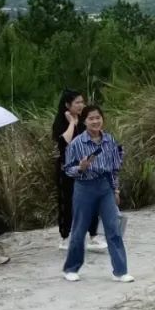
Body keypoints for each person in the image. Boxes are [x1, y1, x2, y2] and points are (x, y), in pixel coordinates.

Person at [61, 105, 133, 282]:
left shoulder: (109, 140)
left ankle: (121, 271)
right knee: (79, 229)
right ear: (84, 121)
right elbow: (67, 169)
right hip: (84, 186)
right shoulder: (77, 143)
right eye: (91, 118)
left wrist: (116, 189)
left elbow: (115, 168)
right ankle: (71, 268)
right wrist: (81, 167)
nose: (95, 121)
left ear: (103, 119)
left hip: (105, 186)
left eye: (98, 118)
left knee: (113, 228)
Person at [51, 89, 101, 251]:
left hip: (87, 166)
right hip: (67, 168)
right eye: (77, 102)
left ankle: (93, 236)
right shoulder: (60, 122)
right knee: (68, 201)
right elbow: (63, 143)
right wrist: (72, 123)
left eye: (82, 102)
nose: (81, 105)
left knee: (92, 200)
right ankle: (65, 237)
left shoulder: (85, 120)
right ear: (67, 105)